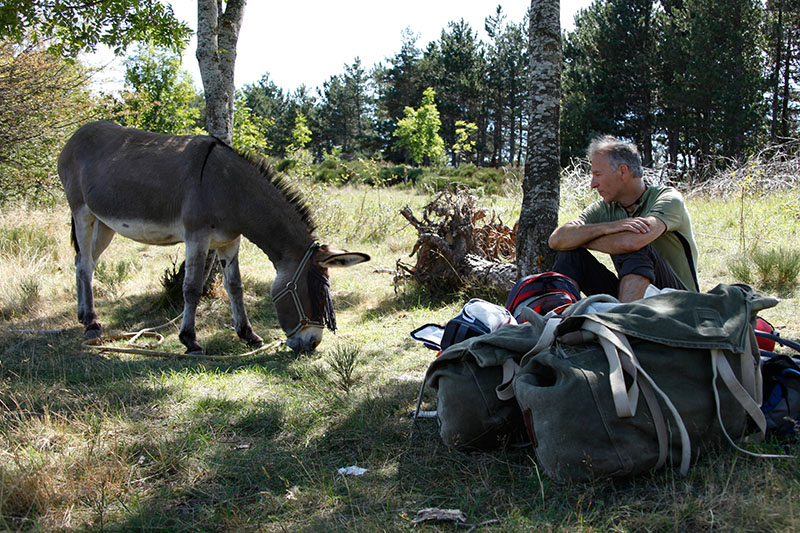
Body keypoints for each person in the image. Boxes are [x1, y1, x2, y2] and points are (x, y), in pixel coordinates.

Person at [548, 135, 699, 302]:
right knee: (570, 253)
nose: (593, 184)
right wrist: (607, 228)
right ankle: (559, 318)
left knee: (637, 247)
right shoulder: (604, 209)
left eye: (598, 174)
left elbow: (631, 242)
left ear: (623, 171)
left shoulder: (668, 198)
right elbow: (557, 240)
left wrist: (583, 239)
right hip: (634, 294)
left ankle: (622, 323)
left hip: (682, 303)